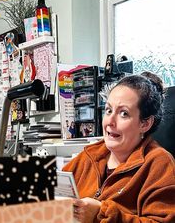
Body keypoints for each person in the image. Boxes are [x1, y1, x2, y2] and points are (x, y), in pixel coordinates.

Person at [63, 72, 175, 222]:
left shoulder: (159, 164)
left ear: (145, 123)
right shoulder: (90, 156)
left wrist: (100, 214)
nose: (110, 121)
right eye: (108, 110)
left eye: (123, 113)